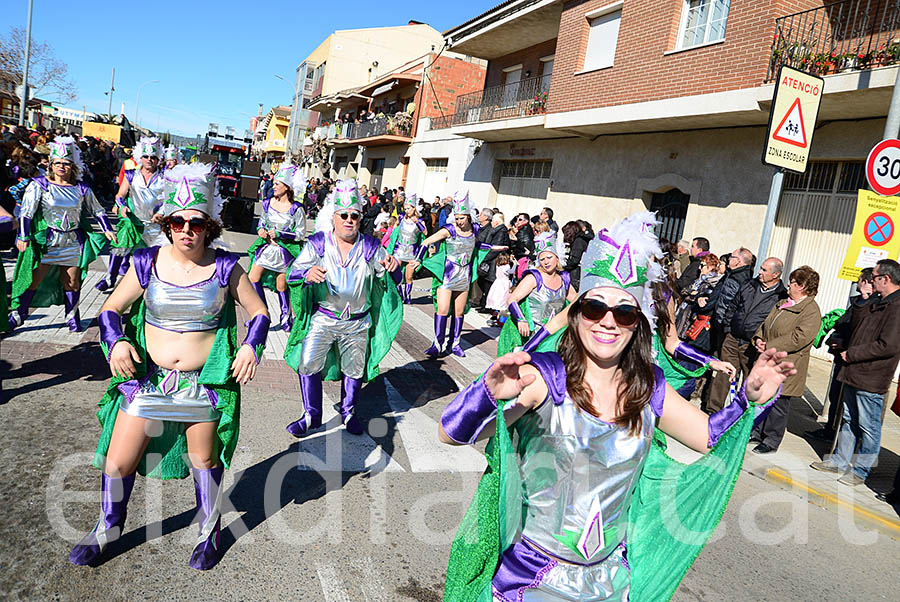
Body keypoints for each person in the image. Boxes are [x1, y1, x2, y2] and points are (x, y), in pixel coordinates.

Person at [439, 211, 793, 602]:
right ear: (576, 315)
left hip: (609, 585)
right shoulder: (546, 378)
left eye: (623, 311)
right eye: (594, 308)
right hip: (532, 581)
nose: (608, 321)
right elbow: (450, 434)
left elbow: (708, 437)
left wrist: (749, 399)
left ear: (637, 322)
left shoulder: (649, 389)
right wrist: (485, 393)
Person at [68, 162, 270, 570]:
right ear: (167, 223)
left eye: (196, 222)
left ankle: (208, 530)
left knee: (205, 461)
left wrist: (250, 346)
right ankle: (108, 527)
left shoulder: (227, 267)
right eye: (177, 221)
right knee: (117, 461)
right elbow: (111, 308)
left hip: (202, 385)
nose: (186, 229)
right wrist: (117, 340)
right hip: (150, 384)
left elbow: (260, 311)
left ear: (209, 225)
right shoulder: (145, 262)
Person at [283, 179, 402, 437]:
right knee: (308, 363)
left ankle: (348, 412)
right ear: (334, 217)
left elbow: (394, 280)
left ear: (360, 218)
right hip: (323, 318)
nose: (349, 220)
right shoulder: (318, 243)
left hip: (357, 322)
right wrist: (307, 274)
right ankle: (311, 415)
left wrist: (395, 268)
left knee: (354, 369)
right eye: (344, 215)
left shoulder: (370, 246)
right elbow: (293, 274)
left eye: (354, 216)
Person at [8, 137, 116, 332]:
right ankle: (19, 313)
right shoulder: (40, 185)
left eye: (66, 163)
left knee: (72, 282)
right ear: (51, 164)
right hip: (47, 241)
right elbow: (26, 212)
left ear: (73, 166)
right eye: (57, 163)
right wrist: (23, 236)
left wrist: (107, 229)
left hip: (72, 241)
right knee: (33, 279)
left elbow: (98, 210)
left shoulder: (82, 188)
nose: (61, 166)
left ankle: (72, 315)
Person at [811, 259, 900, 486]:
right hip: (855, 372)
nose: (871, 280)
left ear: (886, 279)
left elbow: (887, 345)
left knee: (868, 427)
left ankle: (861, 471)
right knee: (848, 419)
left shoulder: (896, 307)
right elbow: (855, 326)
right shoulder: (876, 301)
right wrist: (864, 298)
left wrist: (853, 354)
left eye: (875, 277)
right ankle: (839, 460)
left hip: (872, 375)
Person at [749, 266, 822, 454]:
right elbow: (766, 324)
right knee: (762, 398)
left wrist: (770, 345)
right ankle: (756, 432)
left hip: (786, 363)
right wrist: (759, 338)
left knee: (778, 404)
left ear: (803, 286)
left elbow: (800, 337)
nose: (789, 284)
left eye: (794, 282)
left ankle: (772, 440)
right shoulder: (784, 302)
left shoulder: (810, 311)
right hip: (768, 359)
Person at [411, 191, 491, 358]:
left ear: (469, 217)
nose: (458, 221)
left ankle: (454, 343)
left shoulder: (475, 229)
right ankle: (437, 343)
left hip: (464, 276)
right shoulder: (449, 230)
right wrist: (419, 260)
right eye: (457, 217)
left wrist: (495, 248)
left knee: (459, 312)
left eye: (462, 218)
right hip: (447, 276)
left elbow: (477, 245)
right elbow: (426, 241)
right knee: (443, 309)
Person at [704, 257, 787, 413]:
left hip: (752, 344)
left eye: (764, 270)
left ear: (775, 275)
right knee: (724, 374)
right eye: (761, 268)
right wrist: (728, 328)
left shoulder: (781, 296)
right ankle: (713, 410)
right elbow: (733, 306)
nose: (759, 272)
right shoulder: (749, 284)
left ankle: (740, 413)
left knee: (749, 380)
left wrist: (762, 341)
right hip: (733, 338)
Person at [808, 268, 876, 441]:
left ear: (867, 282)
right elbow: (845, 325)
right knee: (835, 397)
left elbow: (862, 334)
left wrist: (843, 342)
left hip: (853, 362)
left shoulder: (872, 306)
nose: (858, 283)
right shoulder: (856, 303)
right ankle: (830, 431)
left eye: (860, 279)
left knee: (846, 405)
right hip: (842, 358)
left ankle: (839, 439)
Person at [97, 136, 166, 292]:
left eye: (153, 157)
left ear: (158, 159)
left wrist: (161, 213)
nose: (149, 160)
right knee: (119, 244)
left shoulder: (164, 178)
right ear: (140, 157)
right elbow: (120, 195)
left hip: (154, 226)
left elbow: (169, 200)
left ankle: (152, 284)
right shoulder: (131, 174)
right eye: (146, 156)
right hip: (133, 221)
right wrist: (121, 206)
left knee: (156, 257)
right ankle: (110, 278)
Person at [247, 164, 307, 331]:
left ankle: (285, 317)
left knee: (281, 286)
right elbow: (262, 221)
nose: (273, 186)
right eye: (273, 183)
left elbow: (301, 234)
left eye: (277, 184)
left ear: (286, 187)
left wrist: (281, 234)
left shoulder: (296, 208)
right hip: (266, 249)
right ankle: (261, 314)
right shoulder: (267, 203)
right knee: (253, 278)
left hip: (283, 253)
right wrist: (260, 229)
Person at [497, 230, 577, 356]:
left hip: (553, 337)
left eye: (549, 257)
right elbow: (512, 300)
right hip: (531, 335)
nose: (546, 262)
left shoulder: (564, 279)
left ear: (557, 258)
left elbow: (577, 301)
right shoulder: (534, 278)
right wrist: (521, 319)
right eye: (542, 259)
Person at [385, 194, 426, 304]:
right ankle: (400, 295)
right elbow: (395, 230)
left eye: (408, 208)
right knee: (395, 273)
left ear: (414, 208)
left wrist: (417, 222)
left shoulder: (420, 221)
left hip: (411, 252)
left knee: (409, 276)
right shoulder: (401, 217)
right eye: (405, 208)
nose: (406, 210)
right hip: (399, 250)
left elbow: (425, 233)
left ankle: (407, 296)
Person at [485, 251, 514, 327]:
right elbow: (512, 271)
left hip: (497, 284)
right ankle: (501, 319)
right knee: (503, 301)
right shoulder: (507, 267)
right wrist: (514, 264)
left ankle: (494, 317)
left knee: (497, 301)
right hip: (504, 285)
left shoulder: (498, 266)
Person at [562, 220, 590, 288]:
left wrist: (563, 267)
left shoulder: (578, 241)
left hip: (577, 275)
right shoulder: (579, 240)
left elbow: (575, 260)